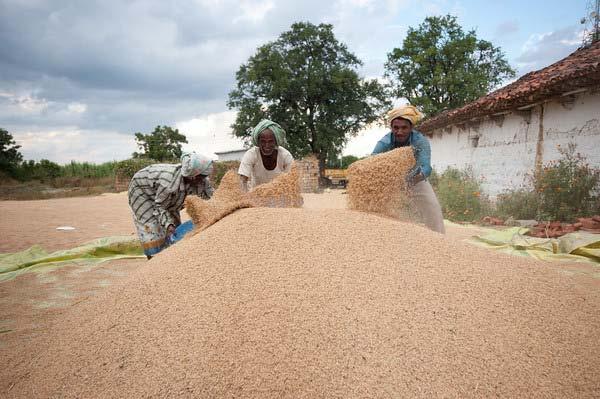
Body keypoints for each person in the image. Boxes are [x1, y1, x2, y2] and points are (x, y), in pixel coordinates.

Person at [372, 105, 445, 234]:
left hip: (416, 179)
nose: (399, 131)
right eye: (396, 127)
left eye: (404, 127)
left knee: (432, 207)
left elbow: (426, 168)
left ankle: (439, 238)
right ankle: (377, 235)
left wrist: (411, 180)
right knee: (376, 207)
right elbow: (372, 164)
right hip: (390, 181)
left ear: (411, 127)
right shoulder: (383, 144)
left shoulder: (420, 141)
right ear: (391, 128)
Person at [128, 152, 214, 259]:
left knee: (175, 224)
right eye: (203, 176)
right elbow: (160, 207)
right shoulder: (168, 183)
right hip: (142, 191)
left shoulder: (201, 180)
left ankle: (172, 253)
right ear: (193, 177)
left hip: (164, 196)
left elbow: (211, 197)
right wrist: (169, 226)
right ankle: (153, 259)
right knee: (151, 226)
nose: (205, 178)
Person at [238, 119, 294, 192]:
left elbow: (292, 180)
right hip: (256, 197)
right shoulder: (251, 154)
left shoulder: (285, 156)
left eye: (270, 141)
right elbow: (242, 180)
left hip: (279, 196)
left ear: (276, 141)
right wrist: (244, 199)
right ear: (258, 142)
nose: (266, 145)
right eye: (263, 141)